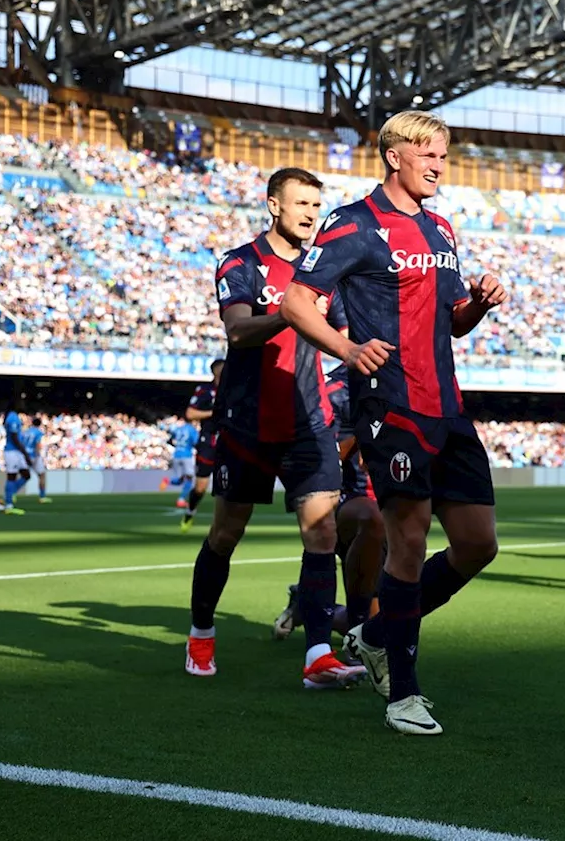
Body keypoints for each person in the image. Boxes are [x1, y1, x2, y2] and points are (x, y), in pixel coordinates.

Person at [282, 111, 507, 736]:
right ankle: (403, 693)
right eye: (428, 153)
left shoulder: (441, 227)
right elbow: (298, 300)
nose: (439, 164)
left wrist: (478, 305)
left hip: (448, 406)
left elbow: (452, 319)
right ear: (394, 157)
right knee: (407, 539)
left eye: (444, 154)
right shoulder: (353, 223)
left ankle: (376, 634)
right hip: (391, 403)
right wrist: (347, 349)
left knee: (478, 544)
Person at [185, 167, 365, 690]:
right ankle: (200, 631)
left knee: (322, 531)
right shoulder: (239, 262)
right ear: (273, 206)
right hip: (247, 420)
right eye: (301, 203)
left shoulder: (326, 271)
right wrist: (293, 312)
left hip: (310, 419)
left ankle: (317, 656)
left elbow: (346, 335)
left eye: (316, 204)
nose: (311, 213)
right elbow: (239, 330)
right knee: (226, 533)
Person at [272, 358, 384, 647]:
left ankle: (306, 604)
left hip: (394, 506)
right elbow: (320, 459)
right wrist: (362, 439)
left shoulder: (411, 381)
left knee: (390, 622)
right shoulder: (336, 390)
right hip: (349, 501)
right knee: (371, 518)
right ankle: (356, 631)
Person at [181, 358, 224, 532]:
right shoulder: (205, 390)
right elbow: (190, 413)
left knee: (225, 487)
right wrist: (213, 412)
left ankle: (222, 525)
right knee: (200, 488)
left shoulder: (235, 389)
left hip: (229, 442)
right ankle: (190, 510)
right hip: (208, 442)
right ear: (214, 372)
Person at [160, 419, 199, 506]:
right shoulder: (192, 429)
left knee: (180, 479)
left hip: (176, 455)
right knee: (189, 479)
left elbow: (170, 439)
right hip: (186, 455)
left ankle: (167, 481)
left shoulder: (178, 429)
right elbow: (197, 442)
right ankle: (181, 500)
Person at [2, 408, 30, 515]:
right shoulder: (13, 416)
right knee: (11, 476)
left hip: (16, 452)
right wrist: (25, 453)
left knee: (26, 475)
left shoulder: (12, 416)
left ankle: (9, 495)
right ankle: (8, 505)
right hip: (12, 451)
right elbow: (14, 437)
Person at [22, 417, 51, 503]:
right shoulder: (38, 432)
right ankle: (42, 497)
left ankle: (11, 495)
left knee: (22, 475)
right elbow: (37, 444)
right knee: (41, 475)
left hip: (25, 455)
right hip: (34, 455)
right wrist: (37, 455)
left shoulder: (26, 432)